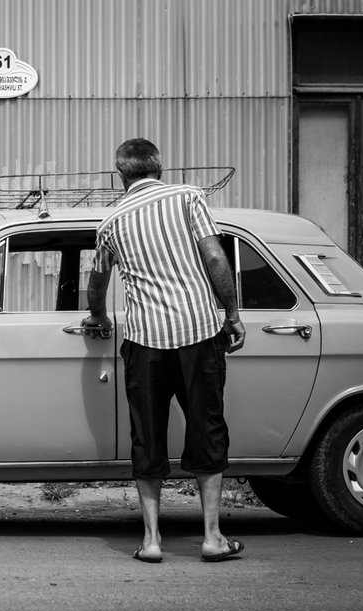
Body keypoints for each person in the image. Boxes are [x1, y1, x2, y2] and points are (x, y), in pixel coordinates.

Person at [81, 138, 247, 564]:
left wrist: (98, 316)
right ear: (160, 167)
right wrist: (231, 313)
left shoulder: (111, 222)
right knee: (207, 428)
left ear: (121, 174)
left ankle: (152, 541)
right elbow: (213, 256)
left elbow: (96, 282)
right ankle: (212, 537)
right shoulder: (189, 197)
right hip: (197, 332)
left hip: (145, 342)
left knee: (147, 436)